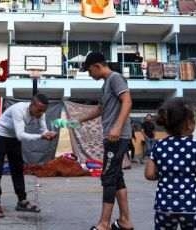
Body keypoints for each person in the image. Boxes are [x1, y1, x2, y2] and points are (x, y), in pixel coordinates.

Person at [77, 52, 134, 230]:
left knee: (108, 177)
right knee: (116, 177)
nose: (89, 74)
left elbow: (127, 101)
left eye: (89, 70)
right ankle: (125, 221)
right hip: (112, 137)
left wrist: (117, 127)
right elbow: (101, 109)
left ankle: (104, 224)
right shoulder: (106, 85)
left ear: (97, 66)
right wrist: (79, 120)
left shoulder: (115, 78)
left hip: (116, 136)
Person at [145, 98, 196, 230]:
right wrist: (193, 175)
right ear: (189, 123)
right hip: (191, 206)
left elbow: (149, 174)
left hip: (165, 206)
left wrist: (164, 175)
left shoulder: (159, 145)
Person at [0, 94, 57, 218]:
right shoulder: (18, 110)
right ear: (31, 105)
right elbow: (21, 135)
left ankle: (22, 201)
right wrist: (41, 137)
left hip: (13, 138)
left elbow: (44, 130)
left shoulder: (41, 113)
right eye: (39, 110)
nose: (41, 114)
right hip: (0, 134)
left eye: (43, 111)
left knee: (18, 168)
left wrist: (49, 134)